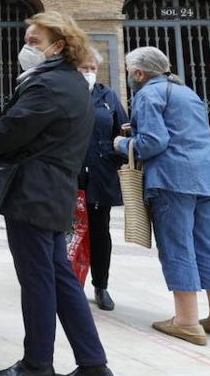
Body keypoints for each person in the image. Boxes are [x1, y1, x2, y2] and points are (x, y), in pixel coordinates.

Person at [0, 12, 113, 376]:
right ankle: (93, 362)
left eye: (34, 41)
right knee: (59, 277)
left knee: (37, 282)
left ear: (59, 45)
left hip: (33, 194)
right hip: (53, 193)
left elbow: (11, 130)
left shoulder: (47, 85)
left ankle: (37, 364)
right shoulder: (71, 82)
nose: (27, 47)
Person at [113, 46, 210, 347]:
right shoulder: (184, 91)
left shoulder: (147, 94)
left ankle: (186, 321)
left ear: (140, 73)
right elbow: (183, 130)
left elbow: (153, 143)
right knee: (209, 246)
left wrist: (122, 142)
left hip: (174, 179)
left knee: (177, 246)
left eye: (130, 71)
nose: (130, 76)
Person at [76, 50, 128, 312]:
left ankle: (101, 284)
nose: (88, 71)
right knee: (69, 231)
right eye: (83, 67)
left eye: (91, 66)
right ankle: (68, 281)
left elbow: (124, 129)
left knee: (100, 231)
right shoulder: (68, 94)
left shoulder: (108, 96)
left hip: (100, 174)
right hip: (70, 174)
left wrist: (111, 155)